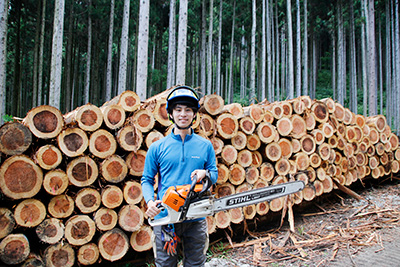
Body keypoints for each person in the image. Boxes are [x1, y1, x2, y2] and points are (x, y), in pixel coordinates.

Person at [141, 85, 218, 267]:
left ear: (194, 114)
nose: (183, 114)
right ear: (171, 113)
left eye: (188, 110)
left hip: (196, 217)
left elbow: (214, 174)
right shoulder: (157, 147)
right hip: (166, 217)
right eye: (178, 109)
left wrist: (204, 173)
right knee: (165, 264)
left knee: (195, 264)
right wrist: (150, 201)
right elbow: (147, 179)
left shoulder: (205, 145)